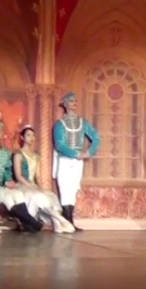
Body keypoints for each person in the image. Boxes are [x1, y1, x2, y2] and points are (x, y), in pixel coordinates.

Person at [0, 121, 44, 232]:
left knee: (17, 194)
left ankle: (28, 222)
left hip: (0, 187)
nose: (1, 132)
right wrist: (2, 182)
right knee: (8, 198)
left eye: (2, 130)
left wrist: (8, 180)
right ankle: (31, 222)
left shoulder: (5, 152)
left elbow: (7, 170)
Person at [13, 125, 75, 233]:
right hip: (22, 185)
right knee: (37, 196)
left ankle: (56, 222)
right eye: (28, 135)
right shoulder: (18, 154)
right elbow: (18, 176)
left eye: (33, 135)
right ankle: (58, 220)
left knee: (51, 196)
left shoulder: (36, 155)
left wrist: (40, 187)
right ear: (22, 137)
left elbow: (37, 176)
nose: (31, 138)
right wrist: (30, 186)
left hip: (33, 185)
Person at [52, 92, 100, 231]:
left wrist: (88, 152)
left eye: (75, 101)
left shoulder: (82, 122)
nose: (74, 103)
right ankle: (66, 222)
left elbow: (96, 137)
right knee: (65, 189)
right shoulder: (59, 124)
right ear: (65, 104)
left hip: (78, 162)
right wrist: (76, 153)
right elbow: (59, 145)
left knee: (72, 190)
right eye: (71, 101)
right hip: (65, 160)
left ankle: (70, 222)